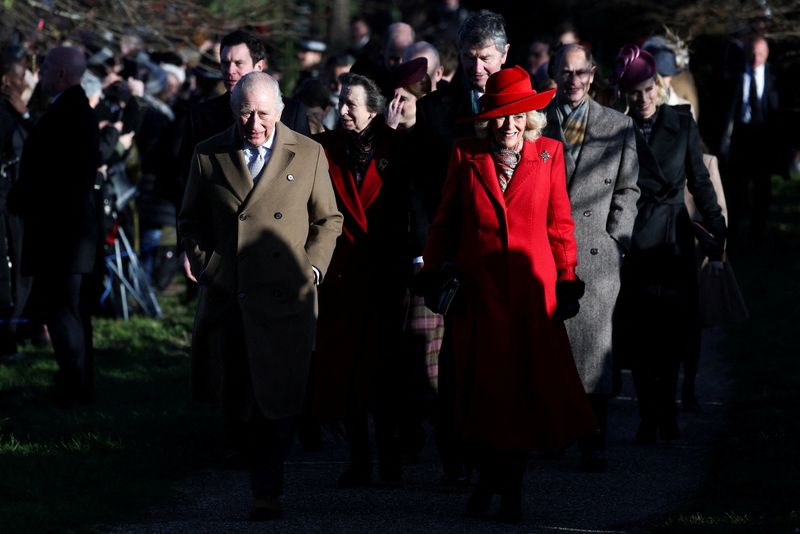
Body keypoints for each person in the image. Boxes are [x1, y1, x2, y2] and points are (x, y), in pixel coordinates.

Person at [420, 66, 594, 523]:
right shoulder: (466, 156)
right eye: (500, 116)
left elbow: (559, 223)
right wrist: (433, 270)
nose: (509, 125)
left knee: (522, 396)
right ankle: (488, 479)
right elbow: (445, 222)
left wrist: (568, 275)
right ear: (486, 119)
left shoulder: (549, 154)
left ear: (532, 118)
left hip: (531, 298)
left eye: (518, 116)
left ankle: (510, 488)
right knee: (484, 395)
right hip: (480, 297)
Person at [178, 71, 342, 520]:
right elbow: (189, 221)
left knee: (281, 396)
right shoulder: (208, 154)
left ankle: (266, 489)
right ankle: (255, 473)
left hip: (285, 297)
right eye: (245, 113)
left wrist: (311, 268)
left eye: (264, 113)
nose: (255, 123)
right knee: (240, 396)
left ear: (280, 108)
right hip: (232, 297)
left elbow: (328, 219)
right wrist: (211, 268)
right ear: (233, 111)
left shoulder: (308, 153)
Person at [178, 29, 311, 403]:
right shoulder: (204, 118)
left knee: (282, 367)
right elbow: (189, 194)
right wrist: (199, 256)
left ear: (260, 66)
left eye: (238, 62)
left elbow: (311, 194)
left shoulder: (295, 113)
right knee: (229, 361)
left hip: (281, 265)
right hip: (228, 265)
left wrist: (311, 265)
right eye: (224, 63)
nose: (229, 69)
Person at [413, 8, 511, 485]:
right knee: (449, 365)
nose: (479, 69)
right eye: (470, 58)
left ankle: (496, 454)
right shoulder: (436, 110)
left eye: (487, 59)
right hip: (451, 254)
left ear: (504, 55)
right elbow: (418, 187)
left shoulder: (526, 112)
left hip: (505, 254)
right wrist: (427, 254)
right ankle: (454, 453)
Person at [611, 44, 726, 444]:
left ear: (659, 87)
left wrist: (717, 228)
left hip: (674, 241)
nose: (642, 100)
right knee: (641, 335)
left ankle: (668, 408)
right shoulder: (618, 132)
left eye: (647, 90)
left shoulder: (681, 124)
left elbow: (700, 179)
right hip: (636, 240)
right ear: (624, 95)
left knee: (673, 333)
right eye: (634, 93)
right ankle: (648, 414)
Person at [309, 72, 412, 486]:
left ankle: (390, 457)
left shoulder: (396, 148)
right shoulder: (324, 149)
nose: (344, 110)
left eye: (352, 103)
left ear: (374, 108)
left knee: (386, 370)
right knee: (347, 369)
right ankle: (358, 458)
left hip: (384, 274)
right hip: (342, 273)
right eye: (341, 102)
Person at [542, 43, 640, 471]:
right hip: (546, 251)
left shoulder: (617, 125)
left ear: (594, 73)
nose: (573, 80)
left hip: (597, 254)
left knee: (595, 352)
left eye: (581, 72)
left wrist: (617, 239)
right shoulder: (536, 120)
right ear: (552, 72)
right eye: (565, 72)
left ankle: (594, 437)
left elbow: (629, 189)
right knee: (552, 347)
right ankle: (556, 432)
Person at [8, 46, 100, 405]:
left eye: (45, 66)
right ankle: (74, 384)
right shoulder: (69, 108)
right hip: (67, 234)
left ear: (61, 72)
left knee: (66, 313)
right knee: (67, 312)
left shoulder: (72, 111)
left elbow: (57, 171)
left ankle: (75, 388)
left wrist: (24, 197)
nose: (39, 73)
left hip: (64, 236)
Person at [719, 36, 780, 240]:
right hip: (741, 138)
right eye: (753, 52)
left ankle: (757, 235)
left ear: (767, 54)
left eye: (760, 53)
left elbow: (778, 110)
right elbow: (727, 107)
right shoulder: (737, 74)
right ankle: (733, 232)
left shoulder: (773, 75)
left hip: (763, 139)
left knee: (762, 189)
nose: (756, 57)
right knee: (736, 188)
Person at [0, 45, 35, 357]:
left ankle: (13, 330)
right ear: (5, 81)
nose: (26, 83)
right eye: (21, 77)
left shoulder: (20, 113)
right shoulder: (7, 116)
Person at [385, 57, 430, 131]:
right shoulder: (376, 126)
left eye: (402, 98)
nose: (393, 103)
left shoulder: (433, 134)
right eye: (392, 95)